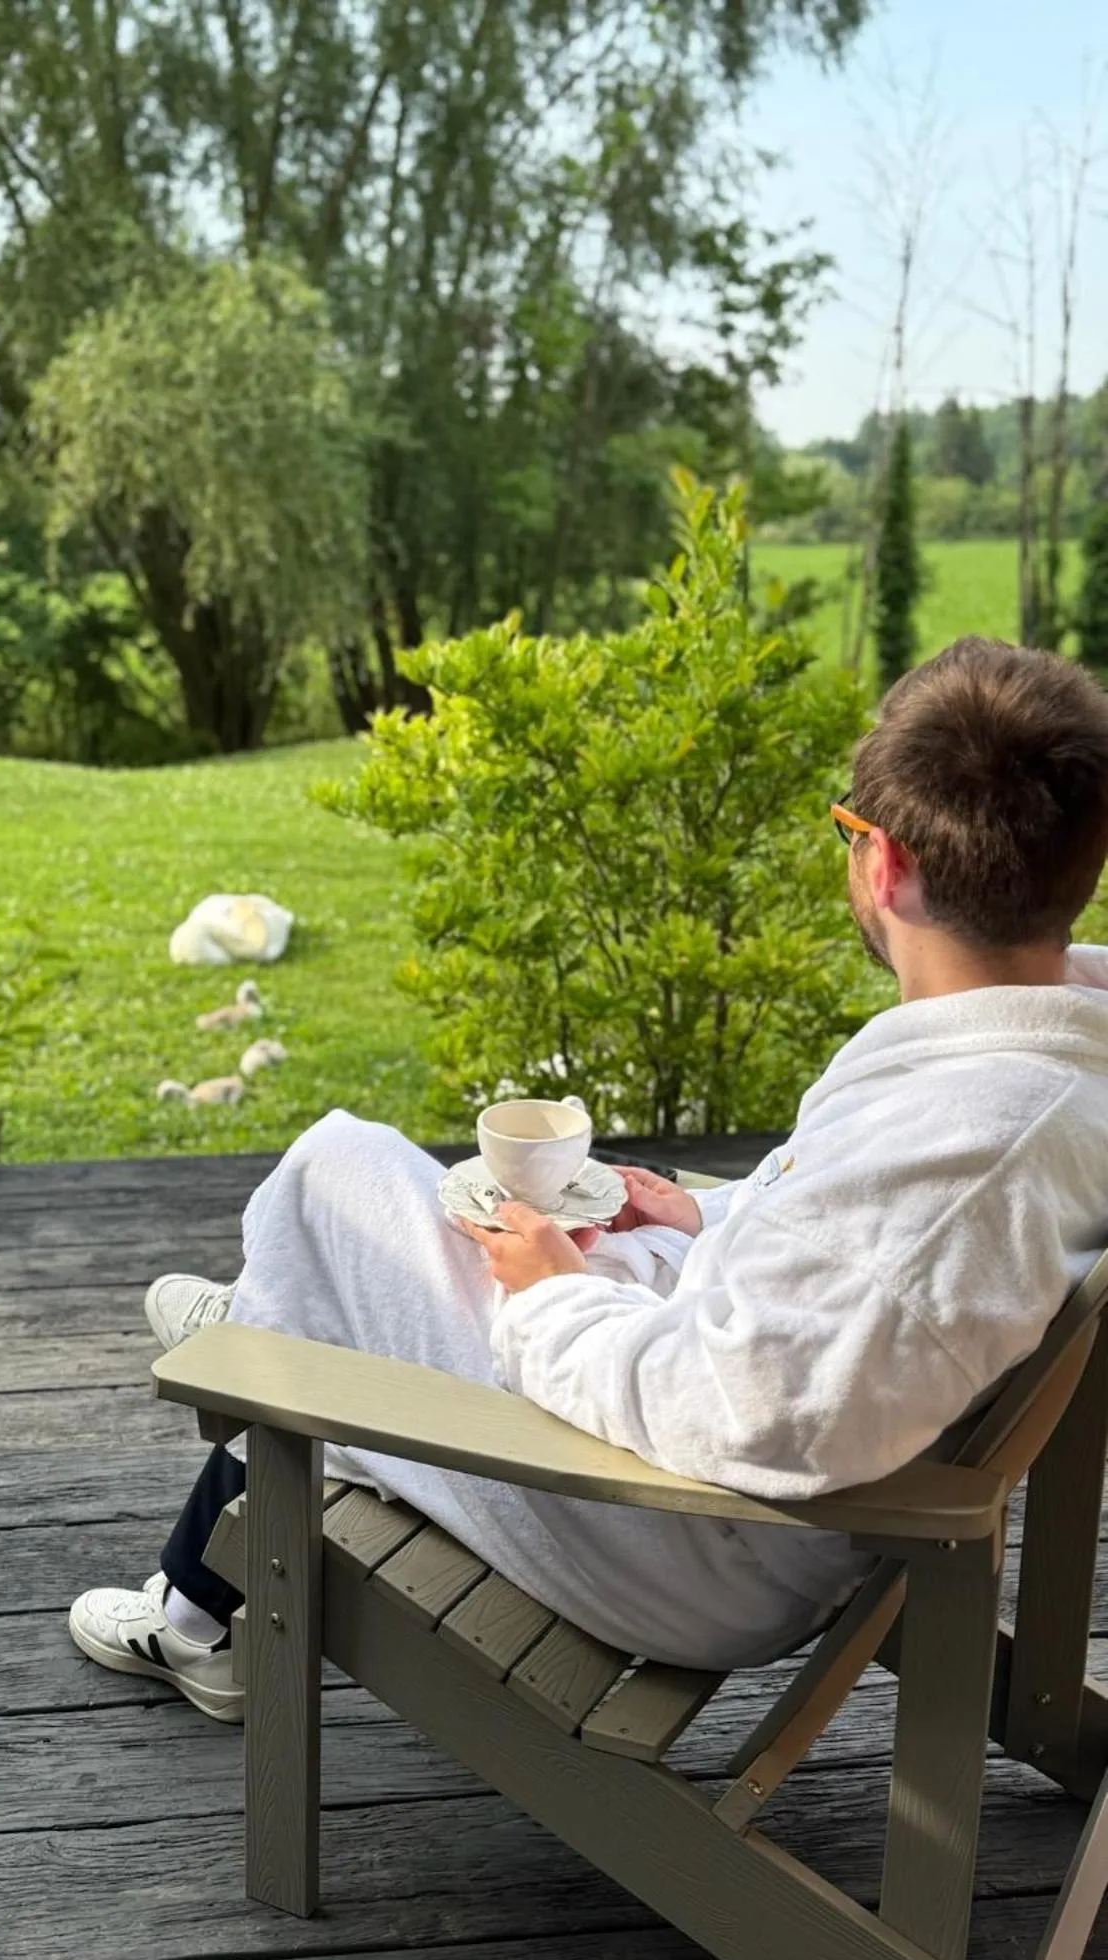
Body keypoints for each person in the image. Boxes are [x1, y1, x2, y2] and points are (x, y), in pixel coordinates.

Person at [70, 638, 1108, 1722]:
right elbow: (858, 1264)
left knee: (339, 1173)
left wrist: (554, 1293)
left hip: (691, 1536)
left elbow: (758, 1405)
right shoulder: (1036, 1056)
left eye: (848, 832)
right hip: (730, 1424)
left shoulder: (964, 1154)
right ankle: (275, 1329)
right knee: (459, 1222)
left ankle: (220, 1524)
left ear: (884, 863)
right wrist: (705, 1210)